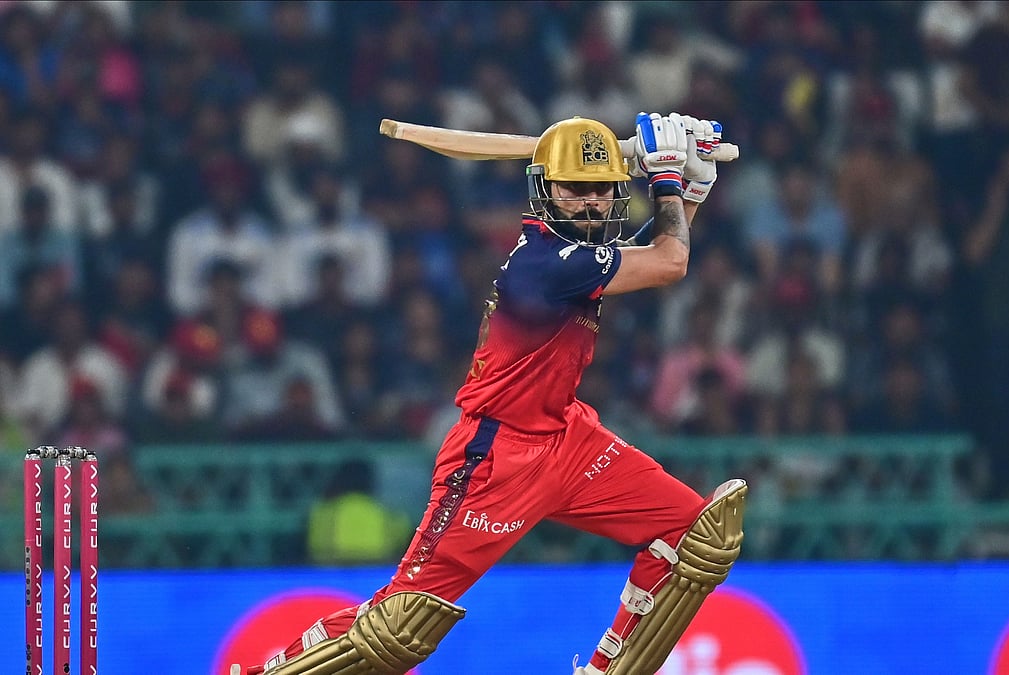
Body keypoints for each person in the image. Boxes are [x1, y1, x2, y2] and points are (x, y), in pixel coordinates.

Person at [232, 112, 748, 675]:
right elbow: (670, 262)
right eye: (576, 190)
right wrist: (668, 177)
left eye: (602, 190)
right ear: (545, 191)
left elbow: (651, 258)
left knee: (696, 536)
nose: (591, 203)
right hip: (496, 457)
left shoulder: (575, 259)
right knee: (399, 625)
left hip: (569, 438)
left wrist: (690, 188)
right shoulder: (545, 261)